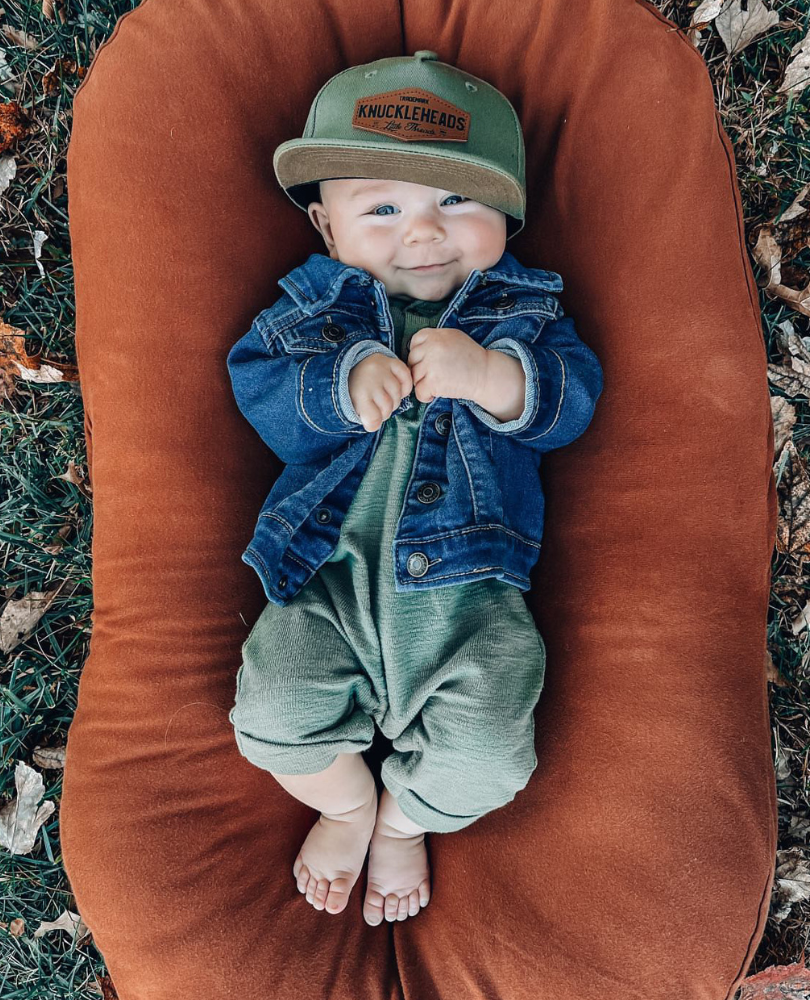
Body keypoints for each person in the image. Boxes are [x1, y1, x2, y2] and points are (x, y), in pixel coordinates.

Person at [226, 50, 604, 926]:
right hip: (325, 582)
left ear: (507, 214)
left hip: (471, 610)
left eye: (457, 203)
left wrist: (489, 374)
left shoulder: (524, 313)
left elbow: (571, 403)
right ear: (327, 230)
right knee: (273, 714)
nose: (424, 233)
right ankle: (348, 804)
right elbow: (260, 393)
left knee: (491, 761)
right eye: (384, 208)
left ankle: (402, 819)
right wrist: (341, 381)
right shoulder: (311, 316)